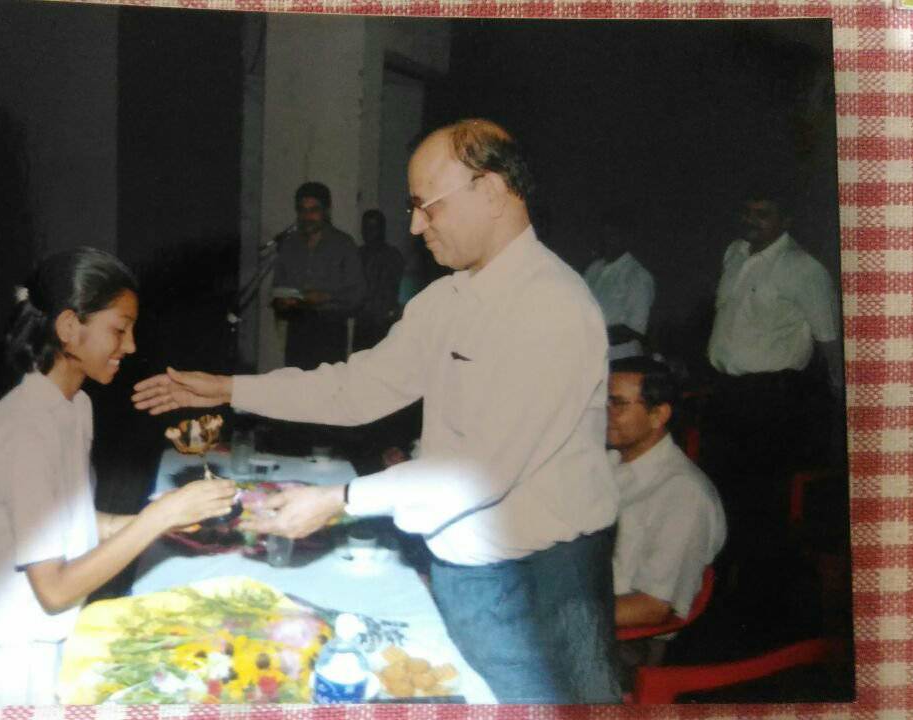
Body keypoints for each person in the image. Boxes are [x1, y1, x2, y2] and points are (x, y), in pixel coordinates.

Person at [134, 119, 622, 703]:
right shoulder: (447, 299)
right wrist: (228, 389)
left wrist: (340, 500)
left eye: (427, 207)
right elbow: (358, 388)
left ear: (492, 191)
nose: (414, 227)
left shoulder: (552, 308)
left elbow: (480, 472)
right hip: (463, 567)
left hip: (539, 583)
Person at [0, 248, 237, 706]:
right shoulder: (26, 429)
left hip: (43, 641)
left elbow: (70, 521)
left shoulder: (74, 407)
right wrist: (158, 517)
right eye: (119, 330)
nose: (131, 346)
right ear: (69, 328)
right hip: (3, 661)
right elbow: (55, 589)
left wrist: (156, 522)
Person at [703, 189, 842, 557]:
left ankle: (764, 580)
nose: (752, 220)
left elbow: (829, 341)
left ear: (786, 221)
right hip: (727, 392)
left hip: (771, 398)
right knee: (722, 491)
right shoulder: (734, 253)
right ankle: (728, 574)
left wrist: (840, 398)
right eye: (747, 212)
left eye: (763, 213)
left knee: (764, 501)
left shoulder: (803, 268)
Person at [605, 356, 726, 682]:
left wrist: (553, 612)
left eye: (618, 404)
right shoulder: (610, 463)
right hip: (588, 612)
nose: (605, 413)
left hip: (627, 645)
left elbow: (653, 606)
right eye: (602, 401)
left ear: (658, 415)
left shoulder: (683, 494)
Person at [270, 181, 365, 370]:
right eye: (302, 210)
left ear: (326, 211)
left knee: (327, 386)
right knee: (296, 384)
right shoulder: (289, 245)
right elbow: (277, 286)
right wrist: (282, 302)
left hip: (330, 331)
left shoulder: (343, 244)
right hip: (297, 330)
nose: (307, 217)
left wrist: (326, 297)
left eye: (314, 210)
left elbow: (359, 293)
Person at [582, 208, 655, 360]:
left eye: (613, 234)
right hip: (589, 361)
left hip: (621, 363)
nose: (607, 240)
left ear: (627, 237)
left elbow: (635, 332)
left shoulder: (638, 276)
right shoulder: (592, 270)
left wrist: (594, 335)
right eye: (604, 234)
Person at [352, 209, 405, 352]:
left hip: (385, 323)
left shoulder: (392, 256)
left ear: (382, 229)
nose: (368, 232)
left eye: (373, 228)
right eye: (365, 228)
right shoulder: (357, 255)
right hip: (362, 322)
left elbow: (398, 291)